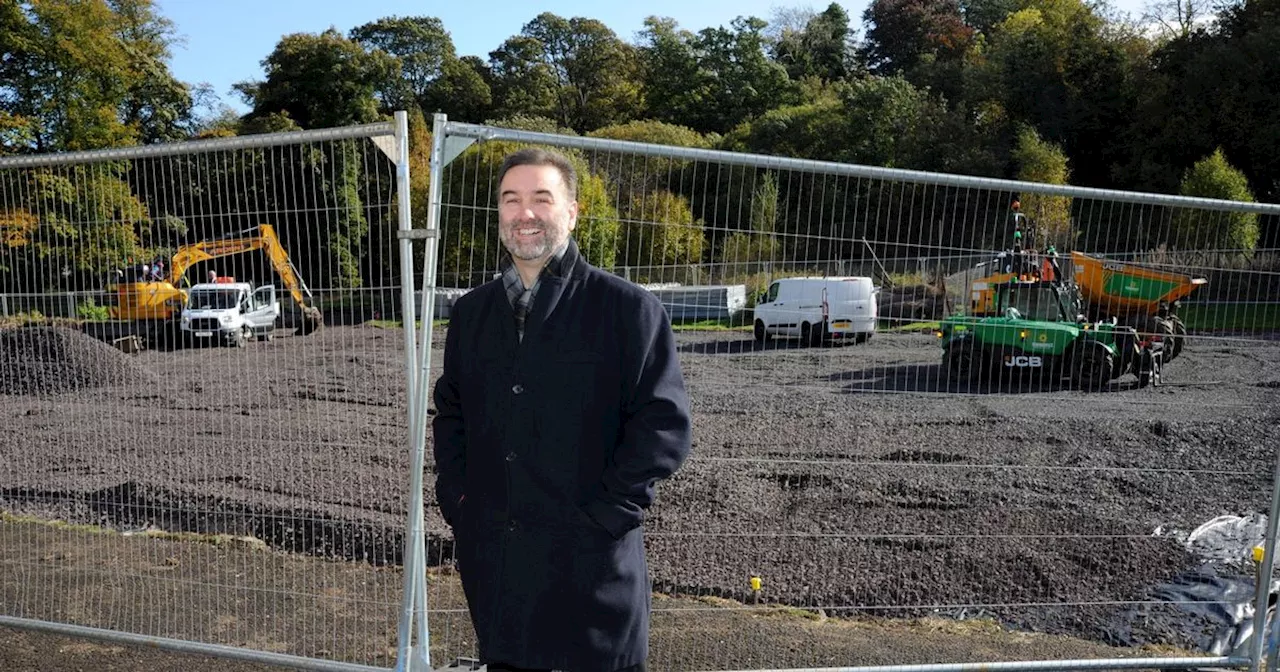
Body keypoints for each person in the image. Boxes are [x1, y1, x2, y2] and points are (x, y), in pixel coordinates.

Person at [431, 147, 693, 672]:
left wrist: (608, 516)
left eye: (541, 199)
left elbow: (663, 425)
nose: (524, 213)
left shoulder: (626, 310)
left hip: (593, 570)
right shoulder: (472, 314)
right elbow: (451, 414)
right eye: (511, 199)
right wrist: (459, 500)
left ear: (572, 212)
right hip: (499, 570)